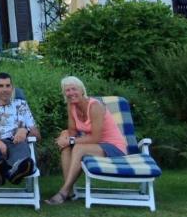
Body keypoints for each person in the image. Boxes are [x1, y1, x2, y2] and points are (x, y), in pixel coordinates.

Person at [45, 75, 128, 205]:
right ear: (64, 93)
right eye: (67, 90)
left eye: (74, 89)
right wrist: (64, 134)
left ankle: (64, 191)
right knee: (66, 148)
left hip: (113, 146)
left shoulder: (95, 106)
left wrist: (70, 141)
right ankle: (70, 190)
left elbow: (96, 137)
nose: (71, 93)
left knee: (78, 147)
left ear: (82, 90)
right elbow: (72, 131)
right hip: (95, 145)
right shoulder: (71, 106)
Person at [0, 72, 40, 185]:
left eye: (8, 85)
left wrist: (25, 130)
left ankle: (10, 171)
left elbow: (37, 135)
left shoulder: (21, 105)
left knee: (22, 146)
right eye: (1, 86)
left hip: (14, 142)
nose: (5, 89)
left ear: (12, 87)